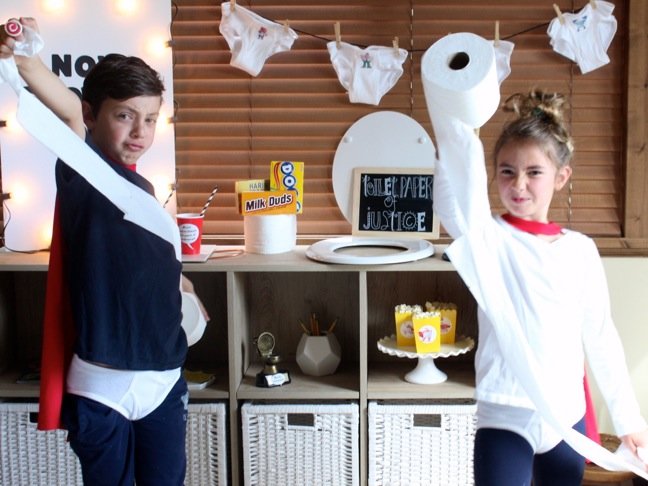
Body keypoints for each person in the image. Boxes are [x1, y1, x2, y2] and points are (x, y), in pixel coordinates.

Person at [1, 17, 208, 486]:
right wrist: (23, 54)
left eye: (151, 119)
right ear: (93, 116)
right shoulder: (82, 168)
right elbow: (66, 110)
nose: (140, 132)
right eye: (124, 115)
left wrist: (178, 281)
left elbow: (136, 254)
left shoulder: (143, 186)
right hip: (103, 381)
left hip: (163, 377)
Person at [431, 88, 648, 485]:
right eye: (507, 171)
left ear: (561, 177)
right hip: (506, 412)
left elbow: (600, 337)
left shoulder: (580, 251)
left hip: (564, 416)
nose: (519, 185)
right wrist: (451, 116)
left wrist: (629, 421)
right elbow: (455, 198)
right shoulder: (487, 240)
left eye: (534, 172)